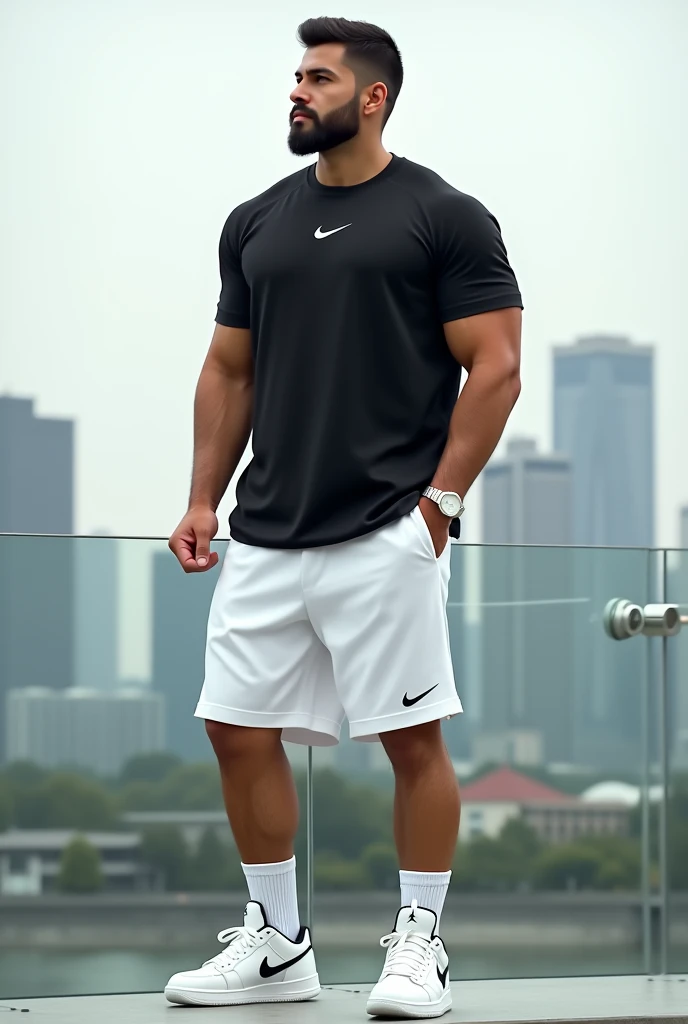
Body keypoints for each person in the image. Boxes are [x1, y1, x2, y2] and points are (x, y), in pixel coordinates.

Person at [165, 15, 522, 1019]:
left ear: (372, 97)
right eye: (295, 76)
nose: (296, 90)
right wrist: (201, 494)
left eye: (317, 78)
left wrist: (439, 506)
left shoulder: (442, 215)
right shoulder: (255, 221)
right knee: (233, 727)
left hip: (384, 525)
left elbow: (493, 366)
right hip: (266, 527)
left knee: (412, 738)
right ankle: (279, 944)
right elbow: (228, 368)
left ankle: (420, 946)